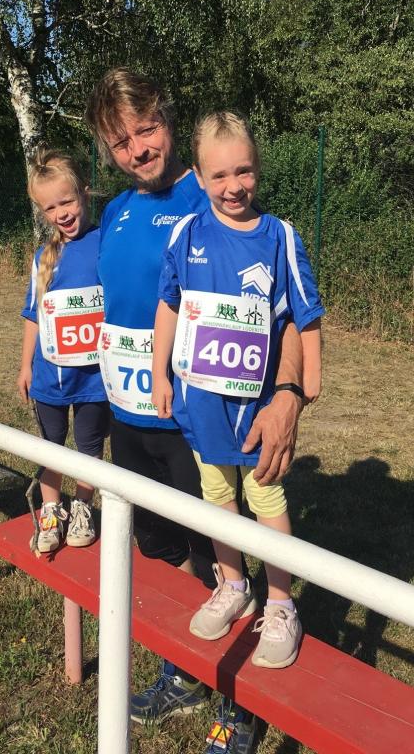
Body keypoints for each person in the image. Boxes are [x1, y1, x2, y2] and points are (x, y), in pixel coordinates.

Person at [86, 69, 306, 751]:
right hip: (130, 419)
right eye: (121, 142)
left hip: (197, 420)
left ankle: (243, 707)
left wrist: (289, 394)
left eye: (146, 129)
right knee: (166, 550)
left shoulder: (210, 194)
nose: (138, 149)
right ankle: (187, 668)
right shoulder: (116, 210)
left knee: (225, 543)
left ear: (169, 120)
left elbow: (277, 313)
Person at [152, 111, 324, 670]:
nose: (233, 186)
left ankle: (281, 603)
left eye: (243, 171)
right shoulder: (186, 234)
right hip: (201, 402)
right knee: (216, 495)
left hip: (257, 407)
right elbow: (169, 304)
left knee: (265, 496)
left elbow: (306, 311)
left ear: (258, 169)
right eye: (220, 175)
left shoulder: (279, 236)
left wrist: (309, 378)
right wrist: (158, 372)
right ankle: (233, 584)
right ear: (200, 176)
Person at [17, 146, 110, 553]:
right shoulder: (44, 257)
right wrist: (25, 366)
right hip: (50, 377)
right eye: (50, 208)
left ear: (85, 192)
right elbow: (33, 315)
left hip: (94, 378)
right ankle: (51, 510)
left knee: (89, 447)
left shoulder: (107, 243)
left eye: (67, 201)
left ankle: (83, 506)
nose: (61, 214)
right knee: (51, 446)